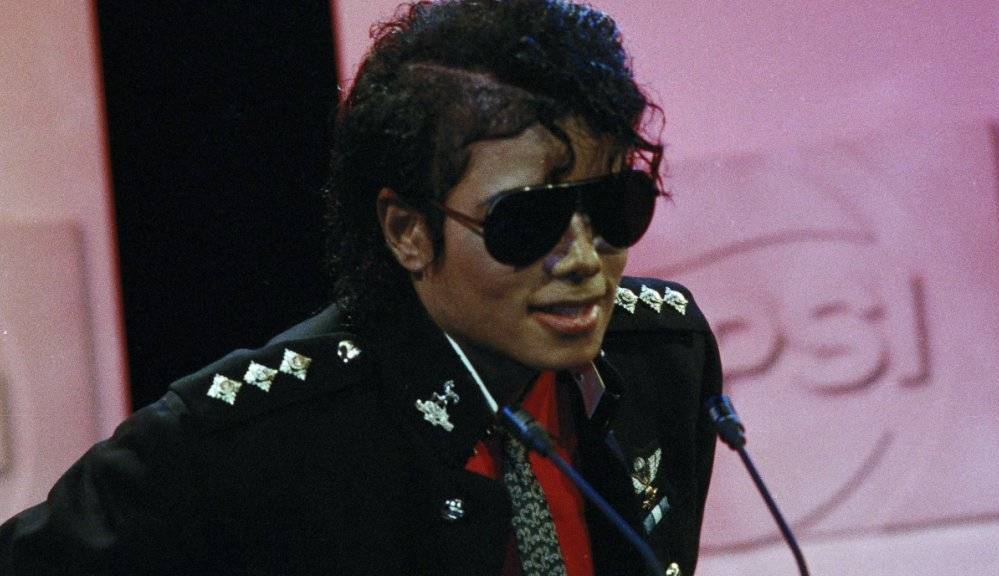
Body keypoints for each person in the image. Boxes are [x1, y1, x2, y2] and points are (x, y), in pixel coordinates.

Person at [0, 0, 721, 574]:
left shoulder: (664, 358)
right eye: (528, 221)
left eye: (614, 206)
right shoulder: (254, 437)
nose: (585, 259)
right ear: (407, 231)